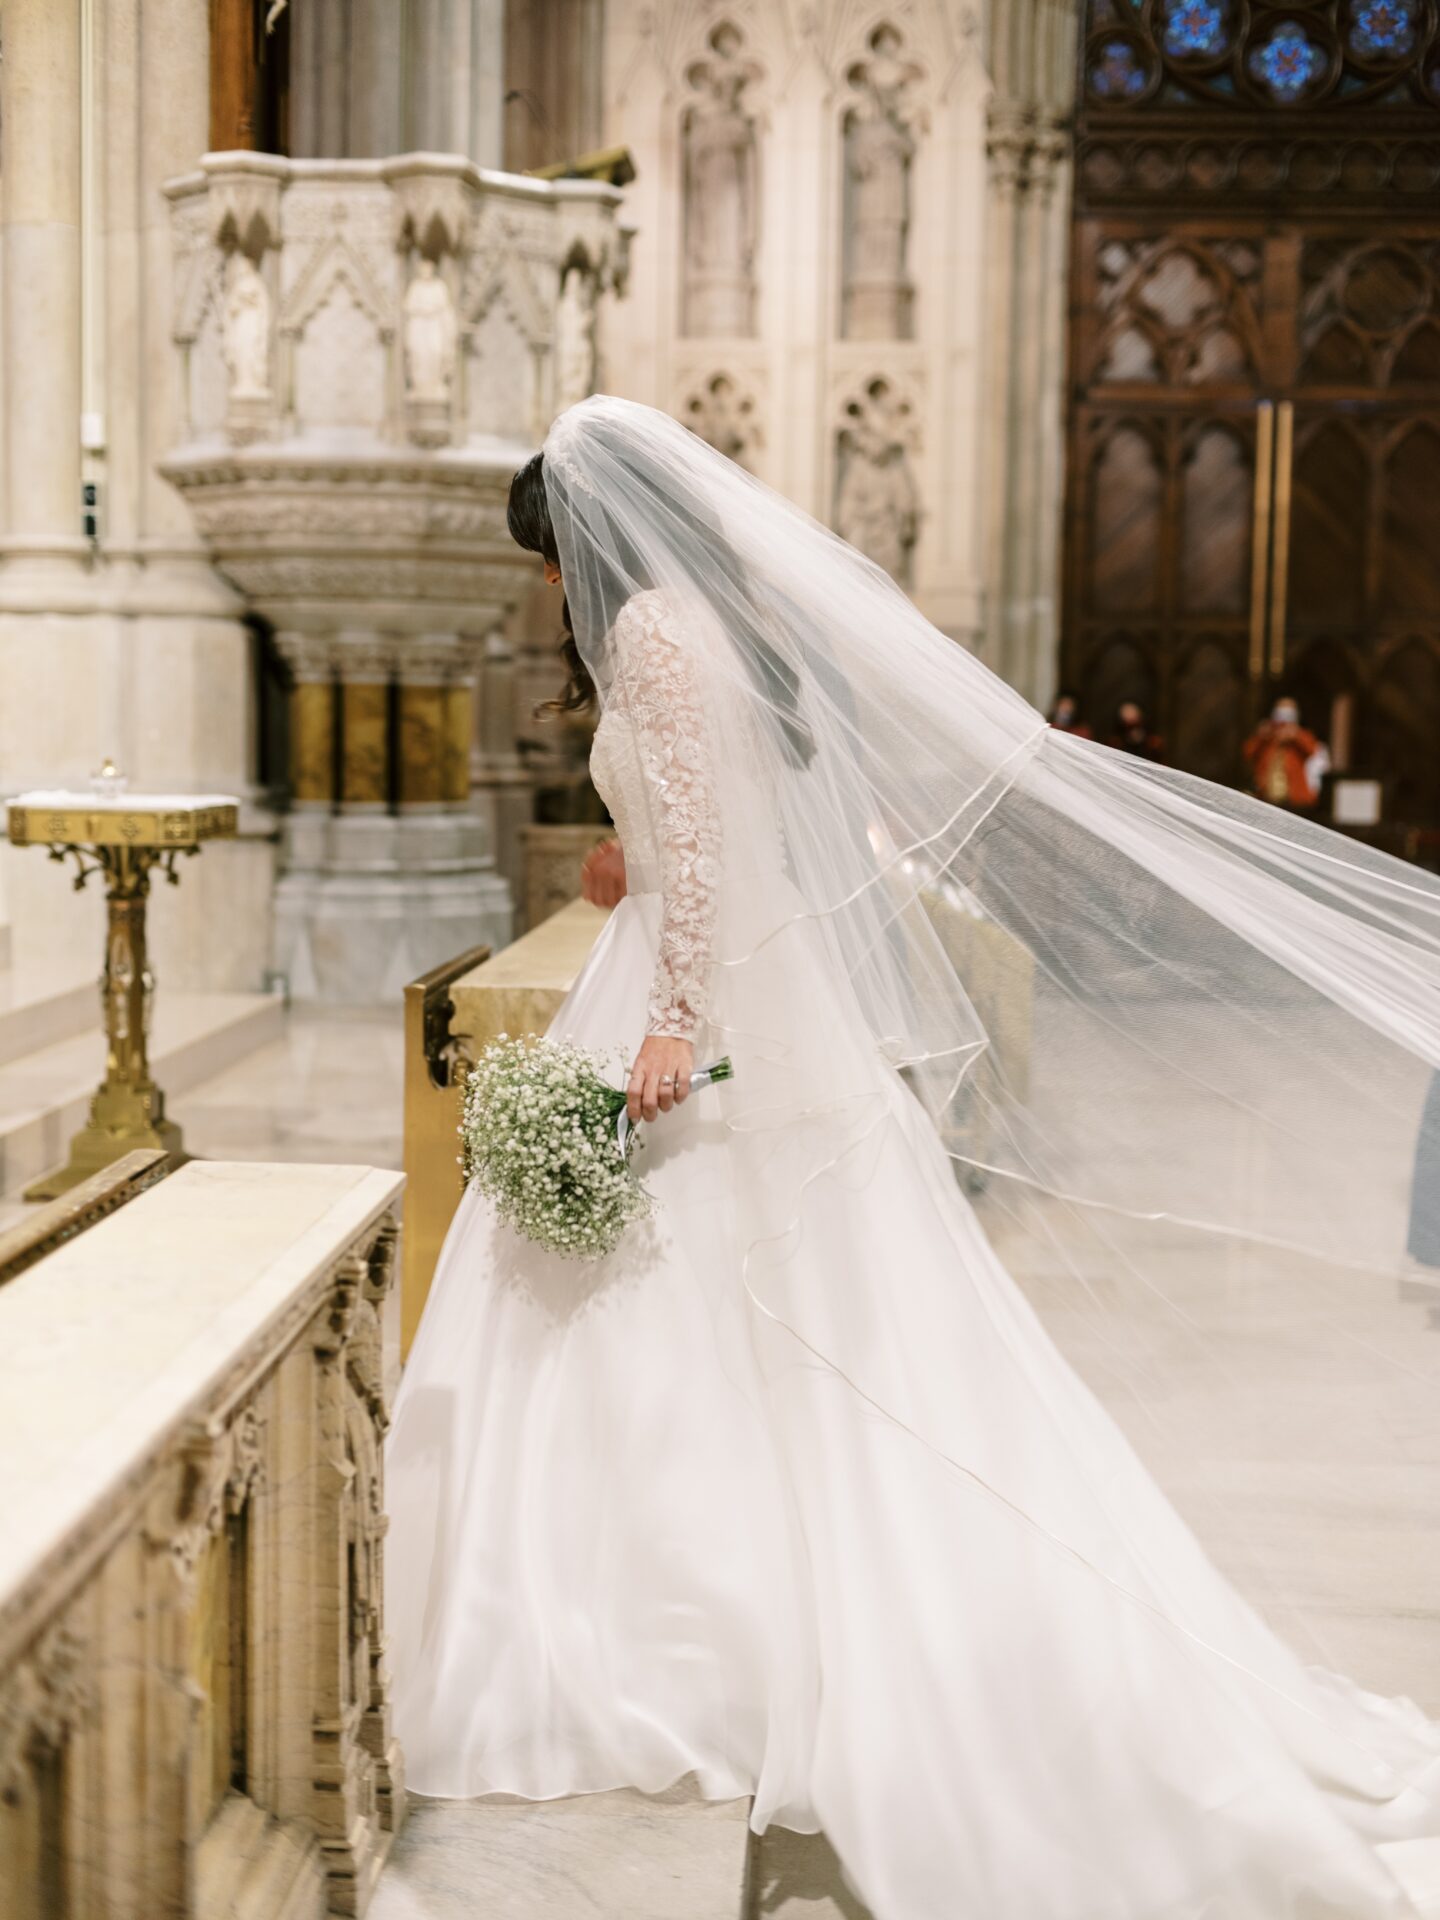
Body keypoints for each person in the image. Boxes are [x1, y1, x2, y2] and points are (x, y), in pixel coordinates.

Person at [387, 396, 1440, 1920]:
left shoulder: (661, 638)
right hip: (725, 984)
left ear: (591, 539)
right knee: (742, 1328)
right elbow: (711, 832)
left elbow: (707, 858)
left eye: (548, 559)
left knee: (695, 1315)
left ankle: (680, 1641)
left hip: (700, 1004)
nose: (546, 588)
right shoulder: (701, 629)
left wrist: (670, 1021)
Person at [1245, 696, 1331, 810]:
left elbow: (1312, 750)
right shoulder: (1268, 737)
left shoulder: (1301, 735)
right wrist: (1261, 736)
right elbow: (1248, 752)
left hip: (1294, 800)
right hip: (1267, 797)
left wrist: (1296, 735)